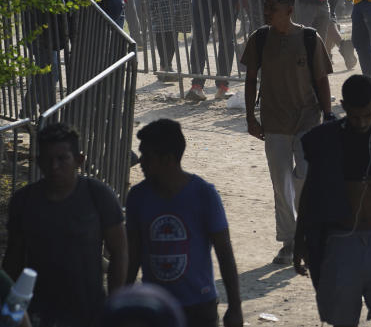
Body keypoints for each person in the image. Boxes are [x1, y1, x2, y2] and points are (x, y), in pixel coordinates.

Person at [294, 75, 371, 326]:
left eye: (367, 115)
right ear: (343, 106)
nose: (361, 122)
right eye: (354, 116)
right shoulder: (324, 139)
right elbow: (310, 194)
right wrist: (300, 241)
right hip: (340, 245)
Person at [241, 0, 333, 266]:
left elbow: (321, 80)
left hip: (307, 119)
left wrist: (328, 115)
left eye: (272, 8)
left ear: (289, 10)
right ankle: (290, 241)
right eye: (266, 7)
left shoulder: (309, 38)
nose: (266, 12)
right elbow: (251, 78)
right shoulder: (259, 39)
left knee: (304, 176)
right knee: (280, 184)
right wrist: (250, 116)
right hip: (275, 122)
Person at [4, 123, 126, 327]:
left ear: (79, 160)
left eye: (62, 159)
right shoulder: (24, 201)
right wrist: (8, 306)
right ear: (38, 161)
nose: (54, 167)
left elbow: (120, 251)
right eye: (48, 160)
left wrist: (116, 305)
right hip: (37, 313)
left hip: (89, 313)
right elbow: (14, 256)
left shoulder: (98, 195)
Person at [126, 119, 243, 327]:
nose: (141, 161)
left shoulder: (204, 195)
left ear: (168, 159)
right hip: (154, 307)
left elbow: (225, 253)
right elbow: (133, 254)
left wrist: (235, 307)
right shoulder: (137, 197)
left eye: (147, 156)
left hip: (198, 306)